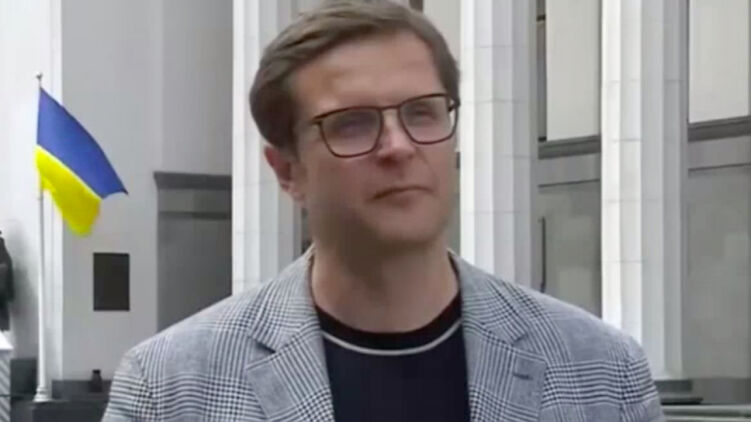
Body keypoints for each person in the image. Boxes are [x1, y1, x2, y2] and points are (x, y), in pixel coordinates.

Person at [103, 1, 664, 421]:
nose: (399, 146)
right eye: (351, 123)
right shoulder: (170, 389)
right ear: (287, 171)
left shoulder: (601, 372)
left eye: (422, 113)